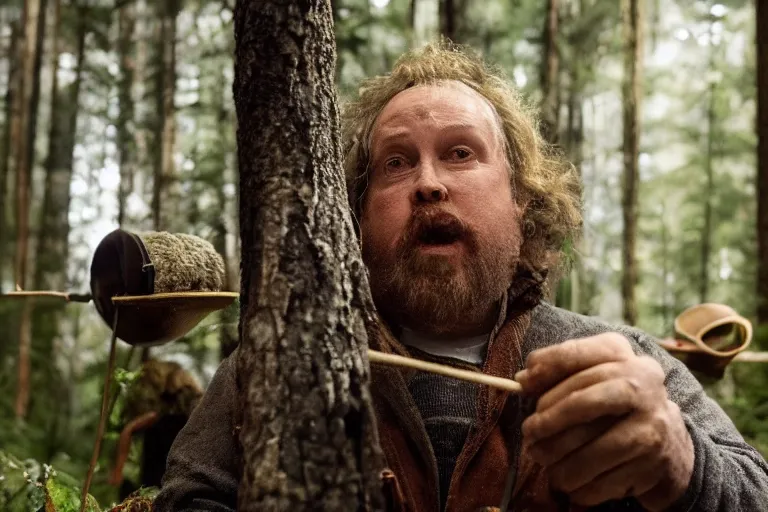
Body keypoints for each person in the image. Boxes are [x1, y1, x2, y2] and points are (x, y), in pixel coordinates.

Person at [152, 42, 768, 512]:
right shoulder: (277, 361)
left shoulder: (622, 360)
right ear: (357, 215)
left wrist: (681, 459)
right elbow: (189, 496)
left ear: (520, 198)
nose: (427, 183)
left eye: (460, 152)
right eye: (396, 163)